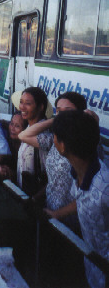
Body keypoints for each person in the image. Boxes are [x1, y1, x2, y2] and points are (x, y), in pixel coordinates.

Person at [52, 110, 109, 288]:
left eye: (54, 136)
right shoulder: (79, 172)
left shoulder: (104, 187)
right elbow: (83, 200)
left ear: (62, 146)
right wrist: (56, 214)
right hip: (93, 269)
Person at [18, 92, 87, 221]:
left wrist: (58, 214)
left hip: (69, 218)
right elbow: (23, 136)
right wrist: (56, 120)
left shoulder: (85, 144)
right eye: (59, 111)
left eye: (68, 111)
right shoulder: (55, 140)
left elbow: (88, 194)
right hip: (50, 212)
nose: (63, 116)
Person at [11, 87, 52, 192]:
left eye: (28, 103)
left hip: (34, 198)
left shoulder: (44, 135)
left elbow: (51, 179)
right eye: (21, 102)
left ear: (41, 107)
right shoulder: (28, 128)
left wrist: (34, 199)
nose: (22, 107)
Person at [0, 113, 28, 182]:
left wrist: (13, 174)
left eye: (17, 126)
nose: (12, 128)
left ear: (25, 129)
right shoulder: (7, 142)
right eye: (11, 124)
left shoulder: (27, 150)